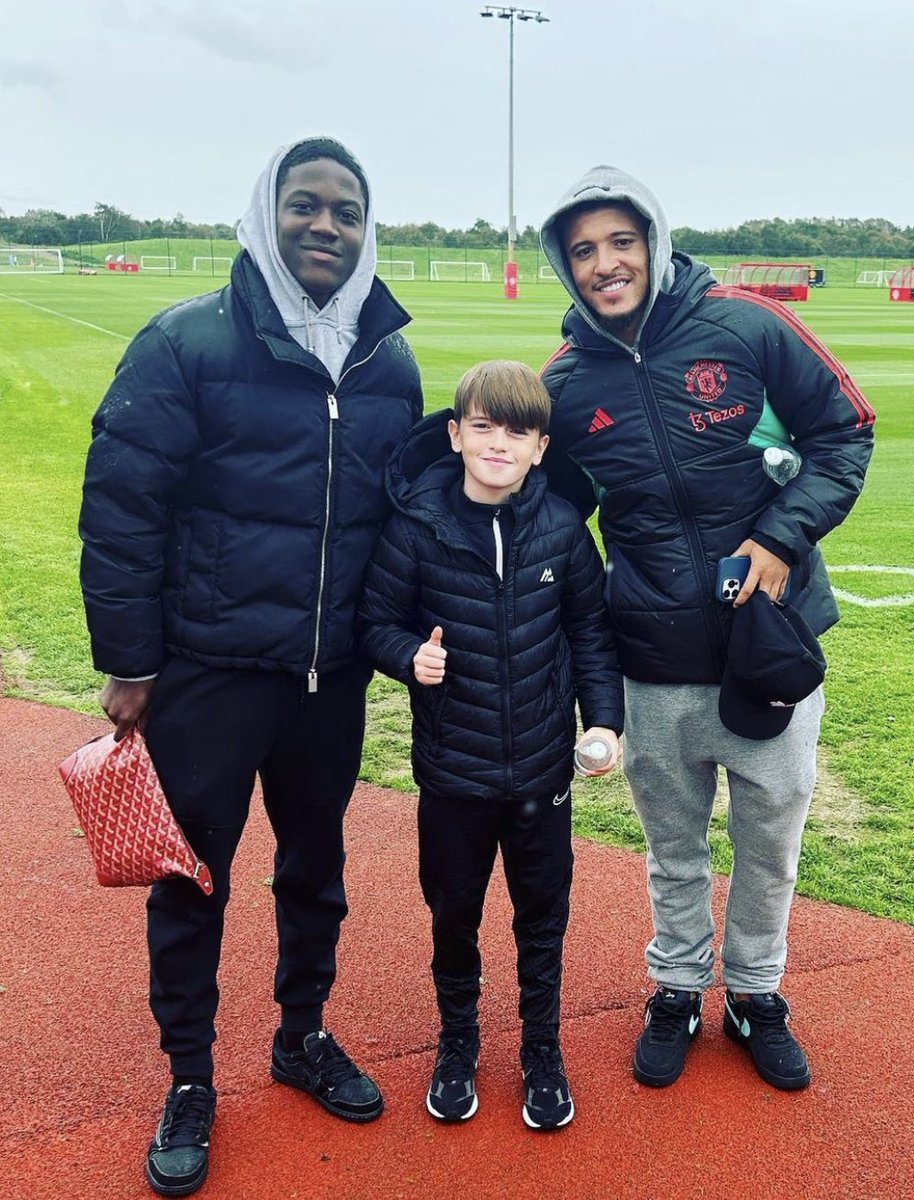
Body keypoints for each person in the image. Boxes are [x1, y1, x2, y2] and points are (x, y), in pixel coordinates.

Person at [78, 137, 424, 1196]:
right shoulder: (186, 340)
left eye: (347, 212)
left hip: (329, 679)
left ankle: (300, 1034)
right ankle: (190, 1075)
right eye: (304, 205)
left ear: (366, 231)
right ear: (265, 214)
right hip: (209, 673)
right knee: (193, 881)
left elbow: (401, 524)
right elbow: (122, 508)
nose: (326, 226)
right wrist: (130, 660)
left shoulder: (388, 360)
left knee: (315, 870)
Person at [538, 166, 875, 1094]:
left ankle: (756, 994)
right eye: (583, 250)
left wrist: (780, 535)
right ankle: (678, 988)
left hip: (770, 643)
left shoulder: (748, 326)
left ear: (652, 240)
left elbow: (844, 433)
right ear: (565, 266)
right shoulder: (564, 383)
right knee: (674, 848)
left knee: (769, 845)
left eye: (621, 241)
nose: (605, 264)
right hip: (652, 658)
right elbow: (551, 519)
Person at [357, 360, 624, 1130]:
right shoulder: (416, 526)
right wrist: (408, 656)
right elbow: (375, 621)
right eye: (483, 427)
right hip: (453, 773)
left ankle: (542, 1048)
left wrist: (602, 722)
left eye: (517, 431)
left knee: (542, 919)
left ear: (540, 447)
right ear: (455, 435)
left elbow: (590, 632)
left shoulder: (562, 529)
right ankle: (457, 1042)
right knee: (454, 915)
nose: (498, 443)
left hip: (541, 771)